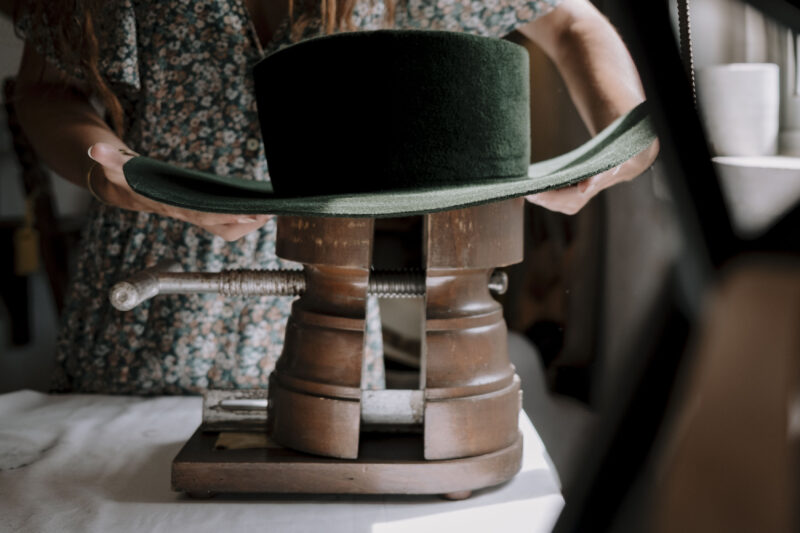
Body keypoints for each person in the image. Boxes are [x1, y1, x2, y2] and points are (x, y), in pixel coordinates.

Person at [13, 0, 658, 395]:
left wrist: (625, 145)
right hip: (144, 274)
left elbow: (571, 19)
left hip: (331, 279)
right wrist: (115, 172)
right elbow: (45, 91)